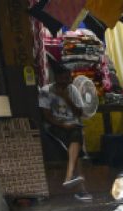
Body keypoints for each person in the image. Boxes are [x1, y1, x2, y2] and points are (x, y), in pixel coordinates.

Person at [39, 62, 91, 201]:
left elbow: (79, 113)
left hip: (72, 126)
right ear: (56, 78)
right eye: (63, 79)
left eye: (68, 79)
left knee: (76, 134)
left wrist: (66, 98)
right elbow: (47, 116)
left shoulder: (72, 90)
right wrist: (62, 125)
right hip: (54, 126)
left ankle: (70, 178)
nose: (66, 82)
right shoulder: (46, 91)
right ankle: (77, 186)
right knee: (77, 144)